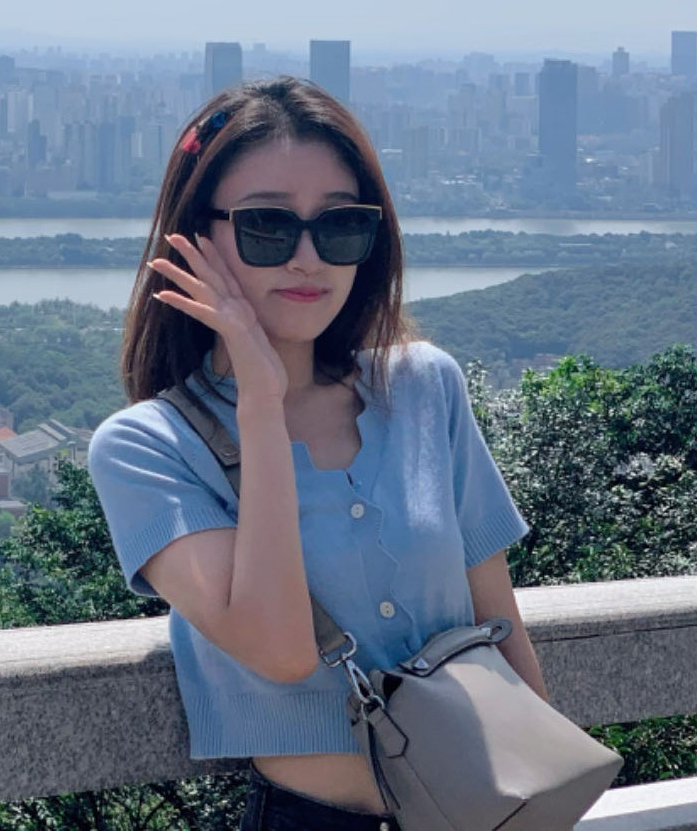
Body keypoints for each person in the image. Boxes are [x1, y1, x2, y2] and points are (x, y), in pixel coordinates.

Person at [88, 77, 545, 831]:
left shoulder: (422, 387)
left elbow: (500, 621)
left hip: (485, 809)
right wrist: (261, 403)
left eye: (339, 226)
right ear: (193, 239)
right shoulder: (146, 449)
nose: (308, 259)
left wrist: (543, 804)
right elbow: (280, 651)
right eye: (269, 226)